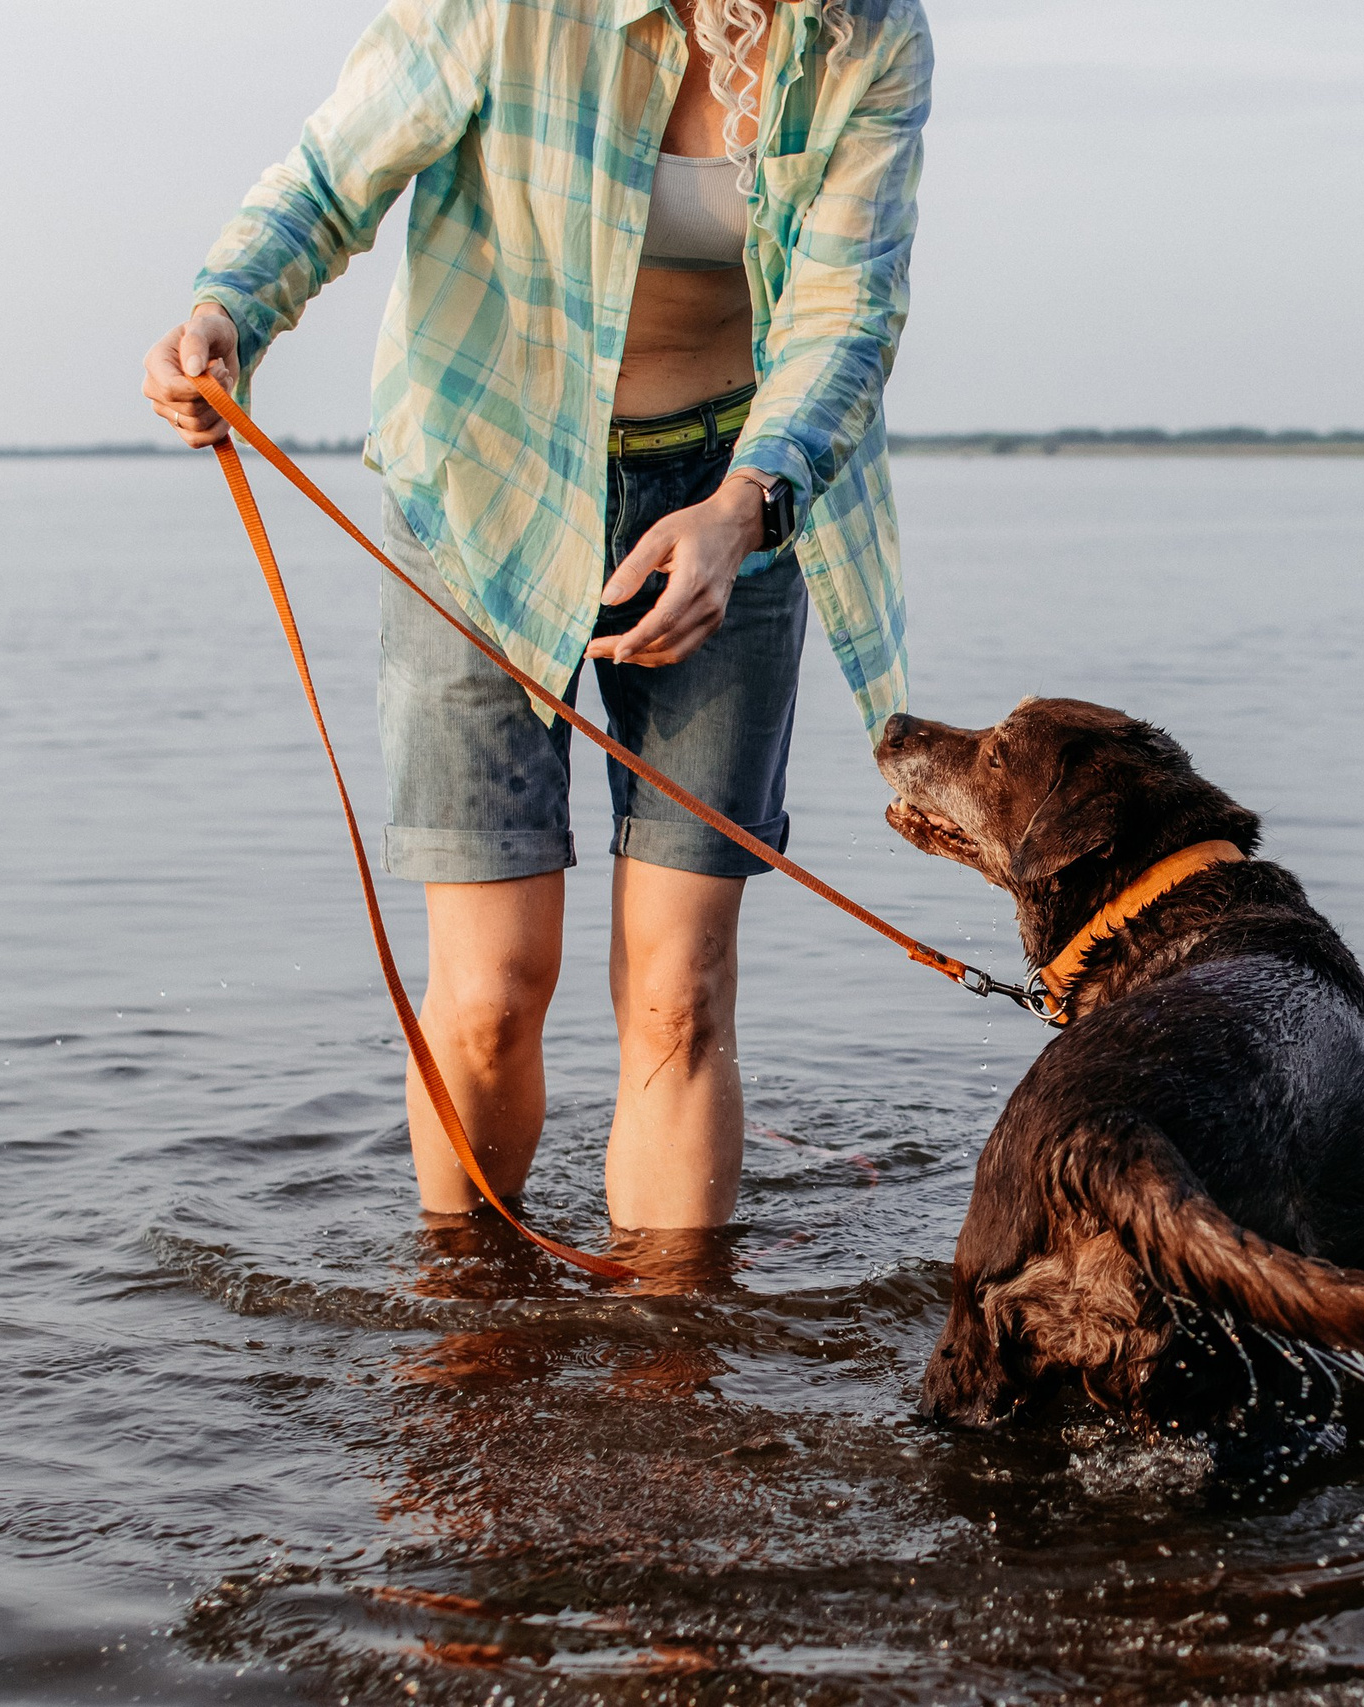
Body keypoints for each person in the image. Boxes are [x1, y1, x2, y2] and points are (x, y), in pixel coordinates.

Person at [140, 0, 927, 1234]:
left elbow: (847, 310)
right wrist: (228, 307)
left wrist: (739, 511)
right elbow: (329, 178)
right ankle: (470, 1345)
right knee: (494, 991)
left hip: (732, 508)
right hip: (486, 487)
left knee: (681, 991)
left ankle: (673, 1368)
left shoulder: (868, 35)